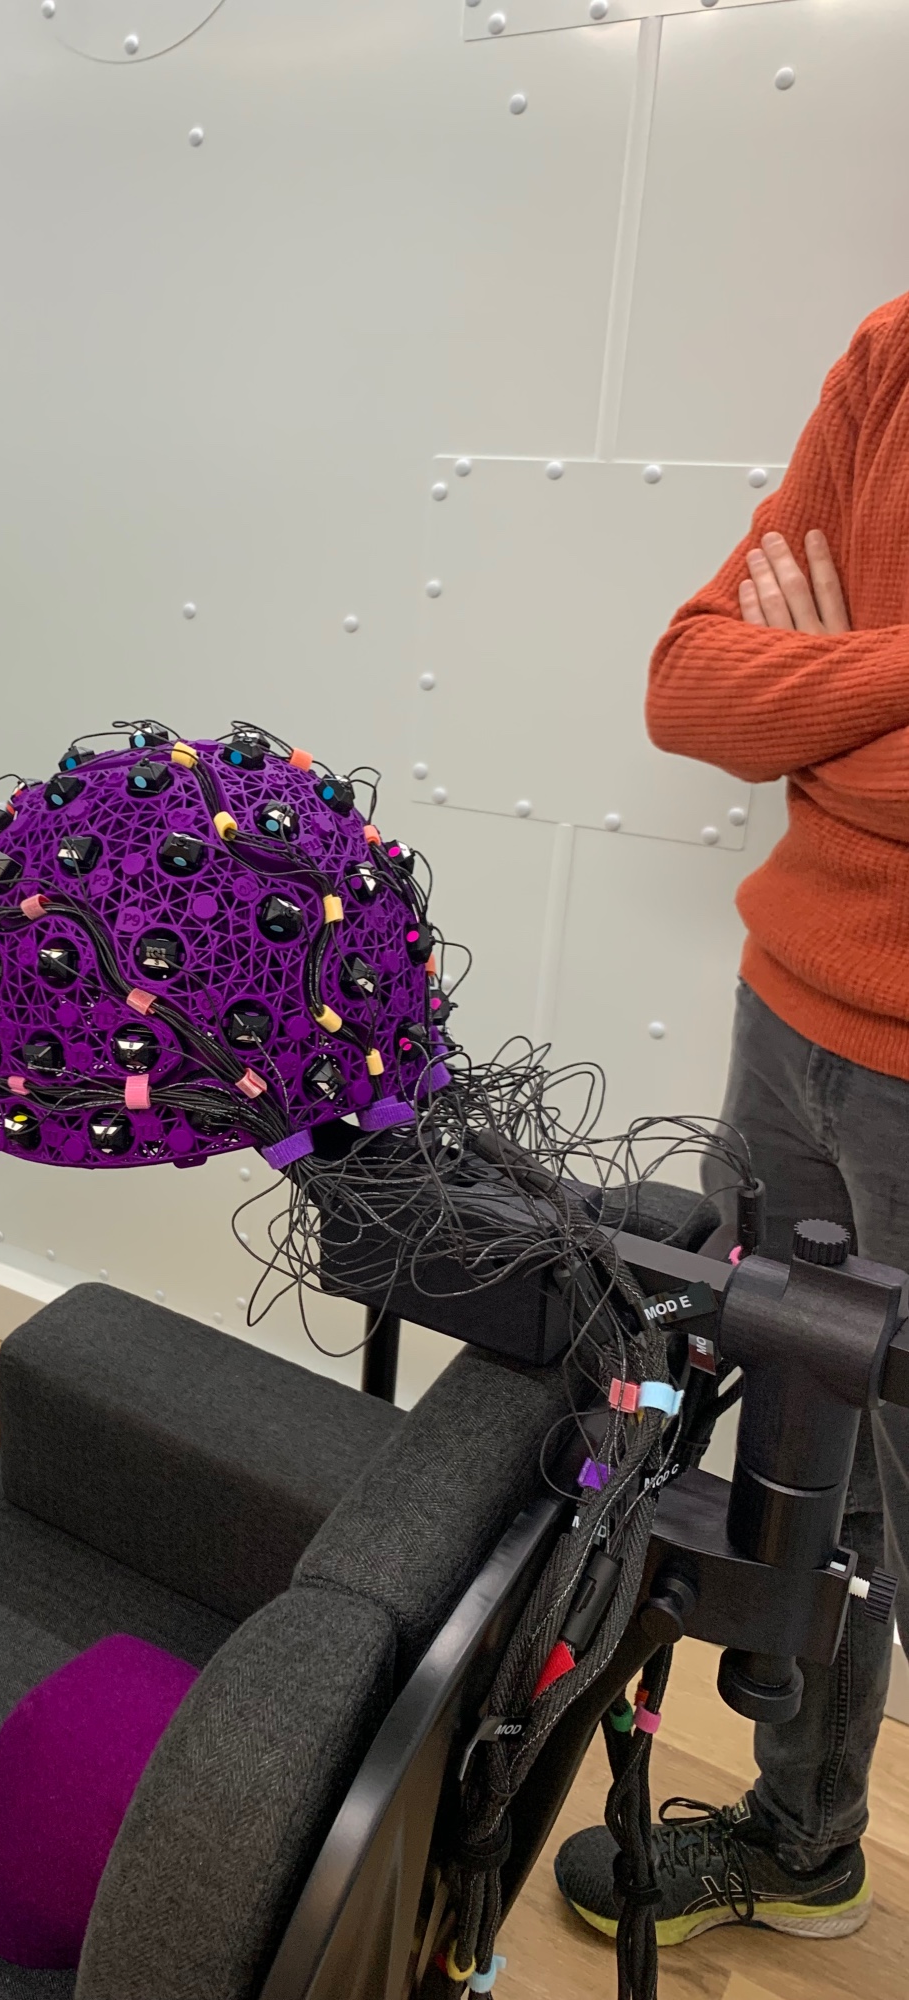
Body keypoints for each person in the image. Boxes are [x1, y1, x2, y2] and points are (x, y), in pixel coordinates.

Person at [555, 293, 909, 1946]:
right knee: (800, 1481)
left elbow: (777, 717)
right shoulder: (893, 355)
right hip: (790, 1024)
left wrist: (819, 692)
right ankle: (802, 1838)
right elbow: (693, 686)